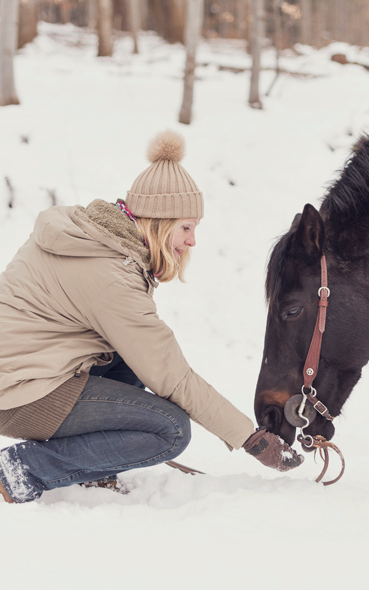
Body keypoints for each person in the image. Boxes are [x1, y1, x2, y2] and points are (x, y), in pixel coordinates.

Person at [0, 130, 303, 504]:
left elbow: (152, 360)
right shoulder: (110, 275)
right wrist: (250, 438)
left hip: (22, 370)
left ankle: (93, 470)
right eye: (186, 227)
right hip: (21, 393)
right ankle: (20, 471)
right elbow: (172, 377)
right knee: (170, 430)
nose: (192, 241)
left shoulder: (90, 235)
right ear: (158, 222)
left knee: (130, 357)